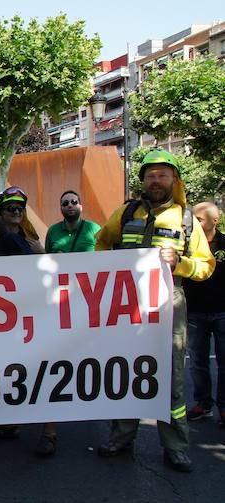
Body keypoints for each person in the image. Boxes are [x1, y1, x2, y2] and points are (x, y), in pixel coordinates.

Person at [94, 149, 214, 473]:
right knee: (125, 370)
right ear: (143, 180)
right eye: (150, 175)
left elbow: (205, 266)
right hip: (127, 304)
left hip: (168, 302)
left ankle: (175, 446)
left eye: (162, 175)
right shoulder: (125, 212)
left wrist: (182, 263)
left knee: (171, 375)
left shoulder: (186, 219)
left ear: (174, 180)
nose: (156, 180)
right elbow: (101, 244)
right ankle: (121, 438)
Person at [30, 191, 102, 455]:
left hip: (89, 302)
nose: (70, 206)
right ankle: (51, 430)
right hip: (60, 304)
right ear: (60, 208)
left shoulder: (95, 229)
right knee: (57, 358)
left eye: (74, 201)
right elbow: (49, 262)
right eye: (65, 203)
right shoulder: (53, 232)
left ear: (81, 205)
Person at [182, 202, 225, 427]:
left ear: (214, 221)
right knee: (198, 362)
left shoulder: (224, 242)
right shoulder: (186, 244)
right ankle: (203, 404)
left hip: (222, 311)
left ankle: (223, 408)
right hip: (195, 312)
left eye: (200, 220)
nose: (195, 223)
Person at [0, 187, 44, 253]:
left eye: (20, 209)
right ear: (0, 213)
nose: (17, 212)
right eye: (11, 208)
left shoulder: (29, 236)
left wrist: (42, 252)